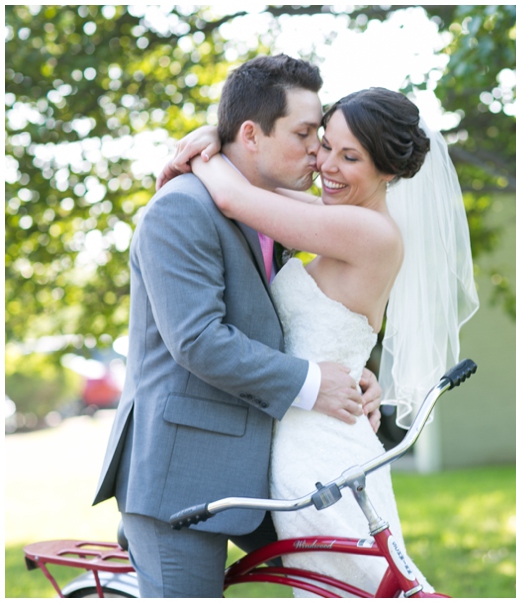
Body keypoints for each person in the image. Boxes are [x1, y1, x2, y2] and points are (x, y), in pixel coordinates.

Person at [163, 86, 479, 596]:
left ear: (389, 173)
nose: (325, 163)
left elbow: (235, 196)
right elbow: (258, 181)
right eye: (325, 144)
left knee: (352, 586)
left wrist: (205, 150)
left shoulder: (370, 232)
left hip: (319, 452)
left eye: (349, 156)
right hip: (313, 429)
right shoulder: (334, 214)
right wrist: (216, 140)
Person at [92, 55, 384, 598]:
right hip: (182, 477)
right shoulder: (181, 208)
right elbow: (198, 340)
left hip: (267, 469)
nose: (318, 155)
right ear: (251, 134)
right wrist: (317, 383)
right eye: (304, 135)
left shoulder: (271, 206)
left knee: (356, 578)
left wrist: (354, 374)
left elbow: (293, 316)